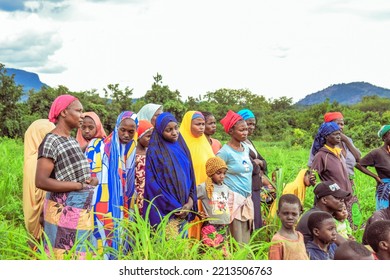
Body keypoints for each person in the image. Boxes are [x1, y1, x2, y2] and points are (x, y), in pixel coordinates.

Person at [35, 94, 98, 259]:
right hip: (63, 211)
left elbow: (75, 175)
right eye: (79, 111)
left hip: (80, 210)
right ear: (63, 112)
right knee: (63, 255)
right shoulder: (52, 141)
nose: (82, 116)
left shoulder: (71, 140)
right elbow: (41, 181)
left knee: (79, 253)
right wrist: (77, 186)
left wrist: (90, 181)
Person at [86, 111, 138, 259]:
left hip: (122, 204)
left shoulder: (130, 149)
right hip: (100, 201)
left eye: (131, 131)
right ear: (116, 127)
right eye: (123, 130)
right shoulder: (99, 147)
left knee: (118, 238)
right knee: (101, 237)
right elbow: (90, 174)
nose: (126, 135)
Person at [143, 112, 198, 236]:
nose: (174, 132)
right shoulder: (155, 153)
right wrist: (175, 206)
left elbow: (190, 177)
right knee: (169, 249)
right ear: (160, 131)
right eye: (168, 130)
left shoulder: (182, 148)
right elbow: (153, 186)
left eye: (176, 128)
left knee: (183, 249)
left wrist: (189, 203)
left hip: (185, 208)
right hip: (166, 211)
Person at [217, 110, 254, 244]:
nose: (245, 132)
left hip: (245, 200)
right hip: (232, 202)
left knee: (245, 238)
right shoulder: (224, 153)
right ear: (231, 131)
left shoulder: (246, 148)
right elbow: (215, 178)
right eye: (241, 130)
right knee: (234, 240)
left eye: (246, 129)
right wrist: (219, 209)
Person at [310, 121, 357, 225]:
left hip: (344, 197)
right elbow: (312, 178)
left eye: (339, 134)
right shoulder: (322, 155)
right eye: (335, 134)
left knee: (345, 229)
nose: (338, 136)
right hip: (333, 201)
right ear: (327, 137)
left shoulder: (338, 152)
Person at [180, 111, 215, 240]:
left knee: (206, 226)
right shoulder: (181, 144)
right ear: (188, 124)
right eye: (198, 124)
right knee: (191, 223)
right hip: (189, 193)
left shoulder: (204, 143)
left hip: (206, 192)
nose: (202, 127)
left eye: (203, 124)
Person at [23, 119, 55, 247]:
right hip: (42, 215)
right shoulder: (41, 160)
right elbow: (42, 190)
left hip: (31, 212)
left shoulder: (30, 157)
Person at [237, 108, 268, 231]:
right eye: (248, 123)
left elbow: (263, 162)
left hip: (255, 185)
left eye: (253, 124)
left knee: (256, 217)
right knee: (249, 218)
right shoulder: (239, 144)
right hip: (247, 186)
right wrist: (257, 166)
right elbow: (251, 167)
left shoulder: (249, 142)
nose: (251, 127)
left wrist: (260, 163)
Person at [296, 180, 350, 245]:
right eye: (337, 197)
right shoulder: (318, 217)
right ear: (324, 200)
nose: (342, 200)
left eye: (342, 197)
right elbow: (345, 245)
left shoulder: (317, 213)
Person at [197, 156, 231, 252]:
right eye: (218, 173)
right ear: (211, 173)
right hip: (211, 225)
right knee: (210, 251)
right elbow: (190, 197)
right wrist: (196, 212)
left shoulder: (225, 188)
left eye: (224, 173)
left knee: (223, 252)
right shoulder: (204, 187)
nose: (222, 176)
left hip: (224, 225)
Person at [356, 125, 390, 210]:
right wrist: (375, 176)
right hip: (385, 188)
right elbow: (359, 165)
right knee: (384, 216)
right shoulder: (377, 152)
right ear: (384, 137)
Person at [268, 194, 309, 260]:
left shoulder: (300, 236)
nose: (290, 217)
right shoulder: (277, 240)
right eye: (285, 213)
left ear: (300, 214)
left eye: (294, 214)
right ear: (278, 213)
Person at [135, 120, 154, 215]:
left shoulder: (150, 152)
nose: (151, 139)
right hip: (138, 193)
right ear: (138, 136)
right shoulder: (132, 154)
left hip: (150, 191)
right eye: (148, 136)